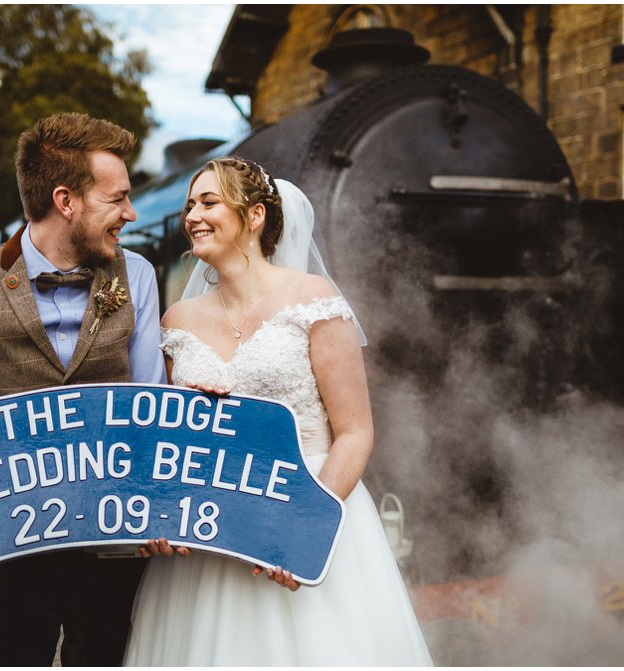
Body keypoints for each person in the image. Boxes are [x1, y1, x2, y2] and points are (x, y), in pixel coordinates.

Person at [122, 157, 432, 665]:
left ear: (256, 215)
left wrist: (303, 526)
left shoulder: (312, 300)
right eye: (189, 206)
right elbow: (166, 441)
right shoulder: (177, 319)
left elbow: (354, 432)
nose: (193, 216)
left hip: (307, 504)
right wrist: (159, 508)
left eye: (209, 202)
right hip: (208, 536)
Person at [0, 112, 168, 667]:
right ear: (66, 201)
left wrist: (161, 508)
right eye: (117, 199)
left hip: (113, 540)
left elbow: (150, 402)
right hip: (8, 540)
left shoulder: (136, 275)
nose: (130, 214)